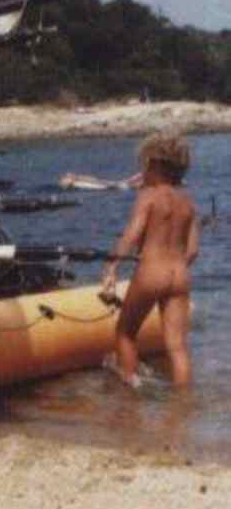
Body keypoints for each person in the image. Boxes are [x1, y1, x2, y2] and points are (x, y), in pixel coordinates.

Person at [101, 132, 198, 387]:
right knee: (176, 346)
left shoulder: (149, 197)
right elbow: (193, 251)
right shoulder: (188, 203)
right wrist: (175, 265)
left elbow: (131, 235)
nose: (141, 171)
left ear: (154, 165)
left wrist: (111, 267)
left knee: (125, 333)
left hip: (151, 272)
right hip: (179, 275)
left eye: (143, 165)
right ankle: (183, 407)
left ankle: (130, 400)